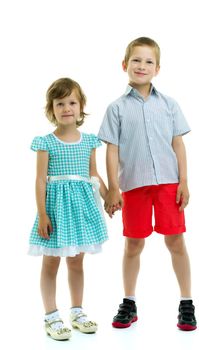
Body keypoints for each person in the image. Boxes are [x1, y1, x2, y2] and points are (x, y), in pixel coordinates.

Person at [98, 37, 197, 331]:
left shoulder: (169, 105)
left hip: (168, 184)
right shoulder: (116, 108)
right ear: (125, 65)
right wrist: (114, 187)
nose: (142, 66)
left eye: (148, 61)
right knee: (133, 244)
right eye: (136, 60)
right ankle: (129, 301)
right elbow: (112, 149)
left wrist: (184, 182)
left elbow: (178, 144)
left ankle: (187, 302)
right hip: (133, 186)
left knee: (176, 241)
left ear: (157, 68)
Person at [29, 77, 108, 340]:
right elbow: (41, 180)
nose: (66, 108)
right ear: (51, 109)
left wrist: (109, 197)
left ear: (81, 106)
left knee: (76, 262)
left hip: (81, 211)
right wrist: (42, 213)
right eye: (60, 103)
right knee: (51, 262)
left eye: (72, 102)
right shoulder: (45, 142)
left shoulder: (89, 141)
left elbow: (94, 175)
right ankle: (51, 316)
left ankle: (77, 311)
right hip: (55, 209)